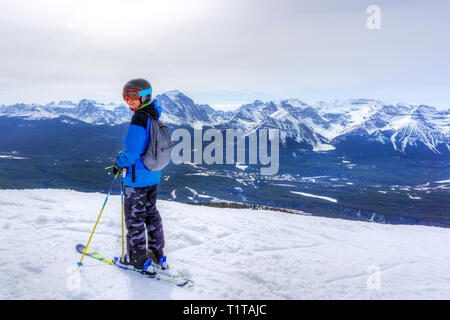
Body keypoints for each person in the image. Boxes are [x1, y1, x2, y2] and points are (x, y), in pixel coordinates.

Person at [113, 78, 168, 271]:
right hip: (152, 176)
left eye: (133, 95)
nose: (128, 100)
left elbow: (132, 152)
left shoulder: (139, 118)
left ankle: (136, 259)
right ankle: (157, 254)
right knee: (151, 214)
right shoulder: (154, 116)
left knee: (135, 220)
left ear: (145, 96)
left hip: (136, 180)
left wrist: (119, 163)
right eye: (125, 96)